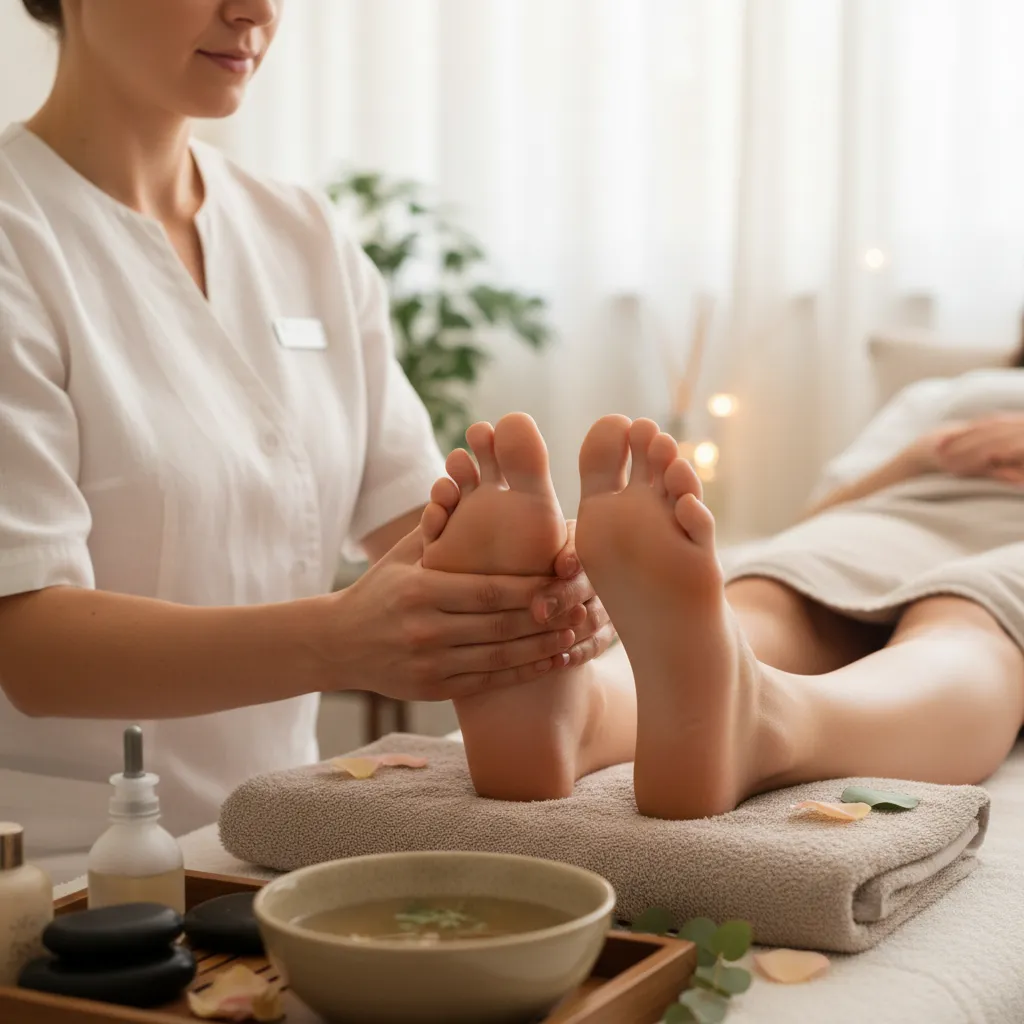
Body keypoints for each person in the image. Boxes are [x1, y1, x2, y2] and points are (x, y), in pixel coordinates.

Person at [0, 0, 613, 881]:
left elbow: (416, 520)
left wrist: (541, 579)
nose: (255, 11)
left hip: (281, 842)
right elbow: (33, 649)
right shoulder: (18, 239)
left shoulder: (302, 235)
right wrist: (340, 638)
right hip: (62, 876)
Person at [422, 356, 1024, 820]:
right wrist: (922, 456)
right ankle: (583, 718)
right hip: (890, 520)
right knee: (774, 588)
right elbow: (820, 512)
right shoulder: (948, 397)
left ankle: (766, 725)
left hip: (1008, 547)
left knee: (967, 615)